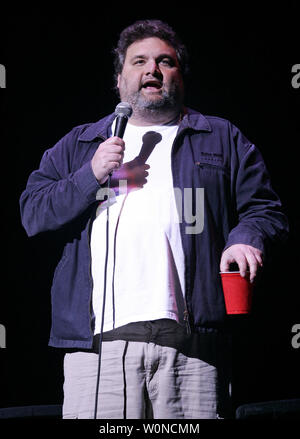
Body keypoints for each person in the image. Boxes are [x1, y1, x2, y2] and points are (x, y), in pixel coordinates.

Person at [19, 19, 288, 419]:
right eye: (139, 61)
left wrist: (246, 237)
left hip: (193, 344)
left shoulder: (220, 137)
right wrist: (88, 175)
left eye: (166, 61)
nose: (152, 70)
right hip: (98, 347)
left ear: (180, 75)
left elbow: (264, 207)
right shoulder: (81, 144)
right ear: (119, 79)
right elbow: (33, 214)